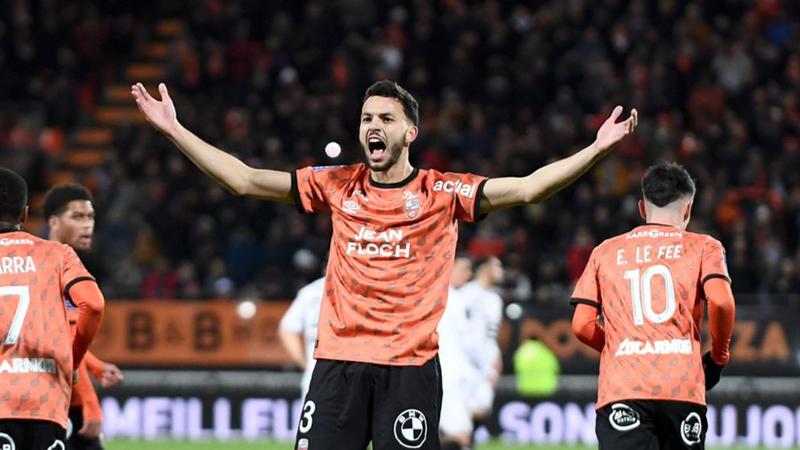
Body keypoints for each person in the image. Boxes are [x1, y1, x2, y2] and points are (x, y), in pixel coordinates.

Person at [132, 79, 637, 450]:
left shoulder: (442, 192)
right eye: (366, 119)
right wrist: (175, 130)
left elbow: (527, 189)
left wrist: (596, 149)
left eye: (385, 119)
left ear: (410, 132)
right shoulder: (336, 184)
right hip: (338, 364)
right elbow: (244, 180)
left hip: (409, 369)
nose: (373, 126)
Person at [570, 162, 735, 449]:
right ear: (688, 209)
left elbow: (582, 325)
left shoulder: (605, 251)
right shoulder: (704, 247)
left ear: (642, 209)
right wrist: (719, 355)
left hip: (623, 389)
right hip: (681, 387)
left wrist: (623, 346)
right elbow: (721, 302)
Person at [0, 168, 105, 450]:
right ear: (25, 214)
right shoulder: (57, 254)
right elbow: (94, 304)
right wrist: (75, 359)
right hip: (45, 401)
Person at [43, 183, 125, 450]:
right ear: (54, 222)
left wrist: (95, 364)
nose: (88, 224)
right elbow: (66, 343)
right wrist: (91, 402)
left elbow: (62, 341)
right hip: (58, 400)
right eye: (77, 217)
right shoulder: (51, 269)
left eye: (90, 217)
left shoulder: (60, 265)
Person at [437, 256, 480, 450]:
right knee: (460, 432)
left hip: (458, 373)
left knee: (451, 430)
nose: (467, 275)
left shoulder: (460, 298)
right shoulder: (442, 297)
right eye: (463, 269)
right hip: (447, 373)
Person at [459, 257, 504, 421]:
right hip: (467, 361)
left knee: (481, 410)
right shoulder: (467, 294)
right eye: (497, 266)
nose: (501, 271)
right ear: (485, 268)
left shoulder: (495, 298)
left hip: (487, 360)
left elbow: (491, 335)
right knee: (463, 411)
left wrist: (496, 357)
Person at [278, 276, 326, 400]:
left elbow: (287, 329)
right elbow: (287, 329)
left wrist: (305, 364)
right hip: (321, 375)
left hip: (319, 374)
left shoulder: (311, 291)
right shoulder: (311, 292)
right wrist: (305, 364)